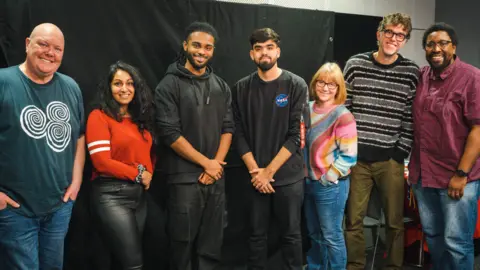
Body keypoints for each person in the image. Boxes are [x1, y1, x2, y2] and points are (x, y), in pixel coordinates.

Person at [0, 23, 85, 270]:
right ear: (27, 44)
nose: (50, 53)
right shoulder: (4, 82)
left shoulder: (70, 87)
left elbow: (79, 136)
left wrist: (77, 180)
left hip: (58, 207)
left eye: (57, 49)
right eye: (43, 44)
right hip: (14, 210)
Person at [343, 13, 420, 270]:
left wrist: (400, 152)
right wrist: (346, 149)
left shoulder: (411, 72)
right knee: (353, 220)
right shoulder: (355, 64)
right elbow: (344, 108)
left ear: (405, 40)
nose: (393, 38)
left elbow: (411, 116)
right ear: (379, 33)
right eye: (389, 32)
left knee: (395, 222)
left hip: (391, 160)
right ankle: (355, 265)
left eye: (400, 35)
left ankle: (394, 267)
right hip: (356, 160)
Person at [154, 21, 233, 270]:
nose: (202, 51)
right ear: (185, 44)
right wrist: (206, 164)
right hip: (184, 180)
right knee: (181, 244)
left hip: (215, 178)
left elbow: (228, 129)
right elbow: (169, 134)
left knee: (212, 244)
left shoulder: (221, 86)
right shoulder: (168, 85)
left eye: (208, 47)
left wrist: (216, 165)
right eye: (197, 45)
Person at [232, 27, 308, 269]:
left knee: (292, 235)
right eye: (258, 48)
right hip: (254, 177)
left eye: (269, 47)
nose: (264, 53)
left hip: (288, 177)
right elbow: (238, 133)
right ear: (251, 54)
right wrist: (257, 172)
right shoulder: (241, 88)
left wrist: (269, 172)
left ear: (278, 51)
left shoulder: (296, 85)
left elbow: (296, 136)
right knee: (255, 237)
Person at [409, 22, 480, 270]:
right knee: (434, 239)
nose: (436, 48)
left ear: (454, 47)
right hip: (423, 177)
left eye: (442, 43)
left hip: (456, 177)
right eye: (430, 44)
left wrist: (461, 174)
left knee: (457, 243)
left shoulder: (471, 77)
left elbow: (478, 129)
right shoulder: (422, 76)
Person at [86, 61, 155, 270]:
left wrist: (148, 172)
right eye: (118, 84)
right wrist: (139, 174)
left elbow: (147, 153)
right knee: (133, 264)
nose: (124, 89)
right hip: (111, 196)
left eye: (130, 83)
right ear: (109, 88)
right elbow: (101, 162)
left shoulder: (138, 120)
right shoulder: (98, 117)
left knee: (121, 261)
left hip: (139, 197)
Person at [304, 62, 357, 270]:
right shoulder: (306, 109)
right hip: (308, 182)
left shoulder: (342, 115)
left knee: (332, 236)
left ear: (339, 89)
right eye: (322, 82)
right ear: (315, 83)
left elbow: (349, 156)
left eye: (332, 84)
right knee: (314, 234)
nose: (326, 88)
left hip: (330, 186)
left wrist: (329, 177)